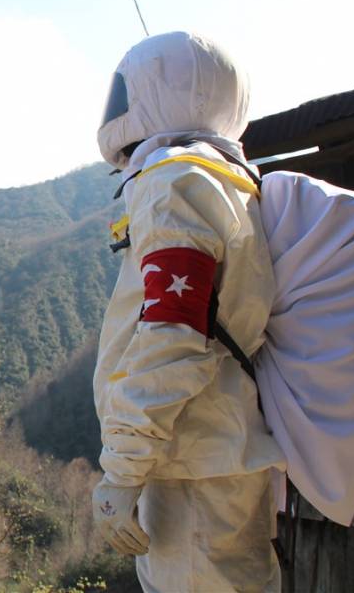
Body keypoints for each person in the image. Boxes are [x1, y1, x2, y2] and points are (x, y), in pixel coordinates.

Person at [91, 31, 286, 592]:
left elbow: (172, 336)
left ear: (156, 89)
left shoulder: (175, 181)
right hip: (214, 456)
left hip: (188, 467)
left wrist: (122, 470)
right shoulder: (225, 180)